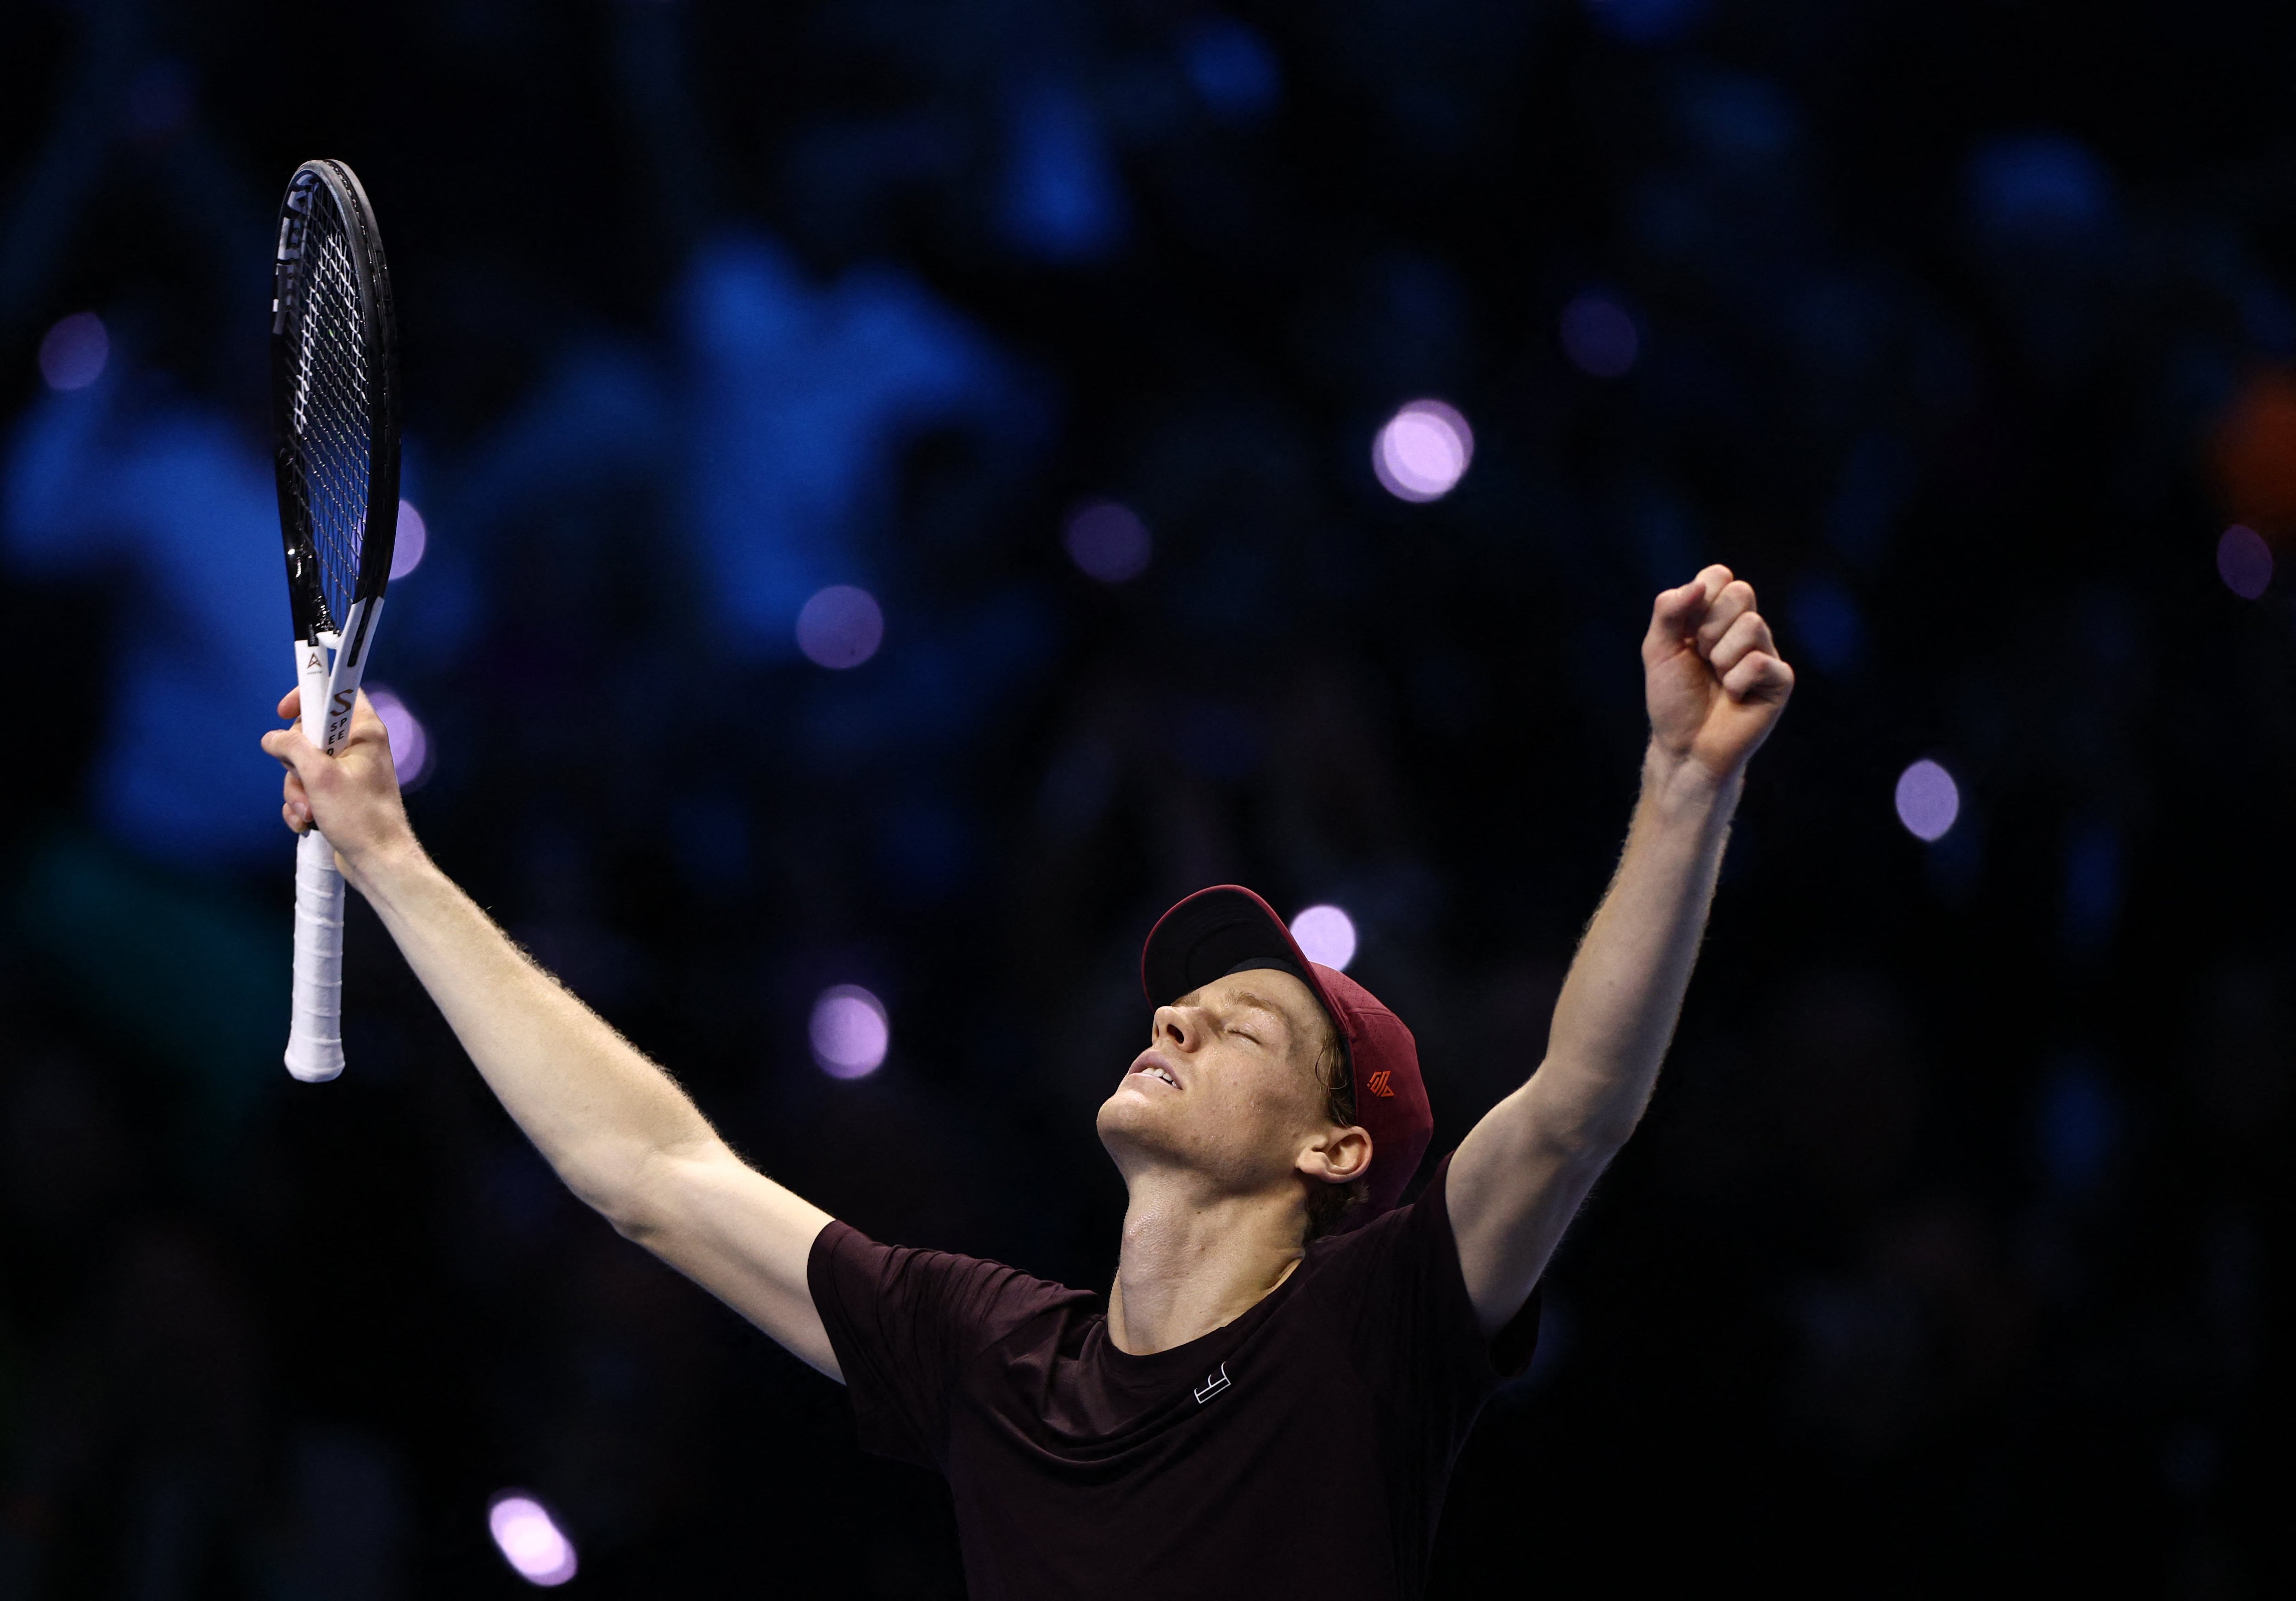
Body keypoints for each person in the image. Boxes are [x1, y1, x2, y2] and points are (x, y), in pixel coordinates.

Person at [260, 564, 1793, 1600]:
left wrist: (1682, 786)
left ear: (1336, 1152)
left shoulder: (1371, 1333)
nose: (1177, 1023)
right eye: (1181, 1008)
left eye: (1242, 1026)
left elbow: (1577, 1106)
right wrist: (394, 862)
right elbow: (651, 1174)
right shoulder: (991, 1356)